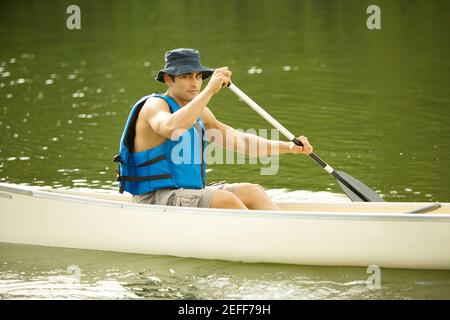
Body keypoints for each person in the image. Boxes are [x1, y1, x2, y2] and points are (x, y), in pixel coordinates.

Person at [115, 48, 313, 210]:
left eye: (198, 76)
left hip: (188, 192)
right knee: (226, 201)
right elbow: (170, 128)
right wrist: (210, 90)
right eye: (186, 76)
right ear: (168, 79)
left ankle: (284, 232)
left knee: (253, 191)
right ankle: (267, 239)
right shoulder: (154, 105)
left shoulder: (199, 111)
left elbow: (241, 141)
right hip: (154, 199)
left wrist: (288, 147)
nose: (195, 83)